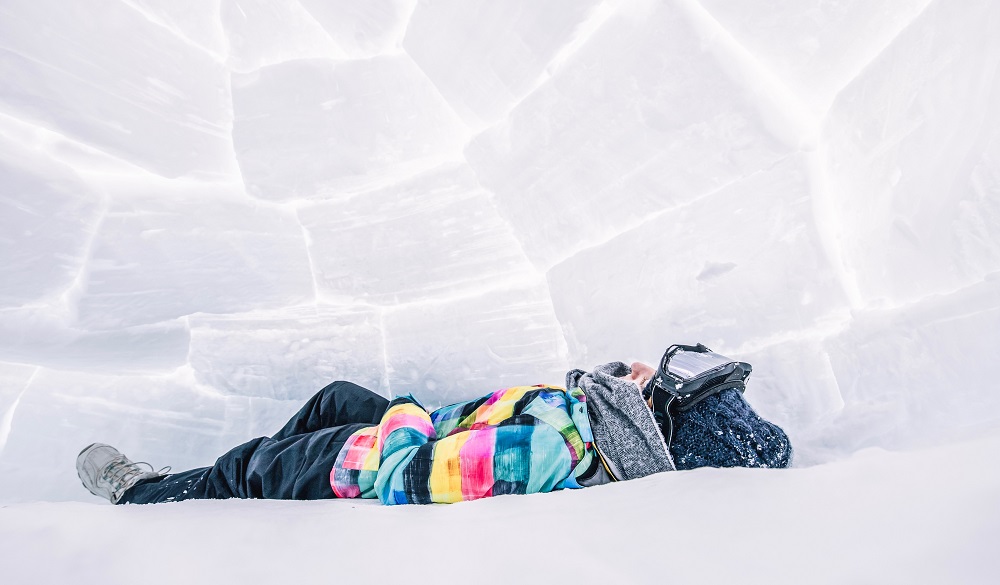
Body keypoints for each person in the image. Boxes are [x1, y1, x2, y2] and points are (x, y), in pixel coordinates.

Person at [77, 348, 792, 506]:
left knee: (257, 464)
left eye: (659, 378)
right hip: (424, 427)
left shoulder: (552, 447)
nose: (643, 364)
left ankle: (149, 498)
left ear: (658, 418)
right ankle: (237, 486)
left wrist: (402, 415)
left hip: (371, 462)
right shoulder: (598, 420)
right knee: (334, 395)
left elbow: (405, 480)